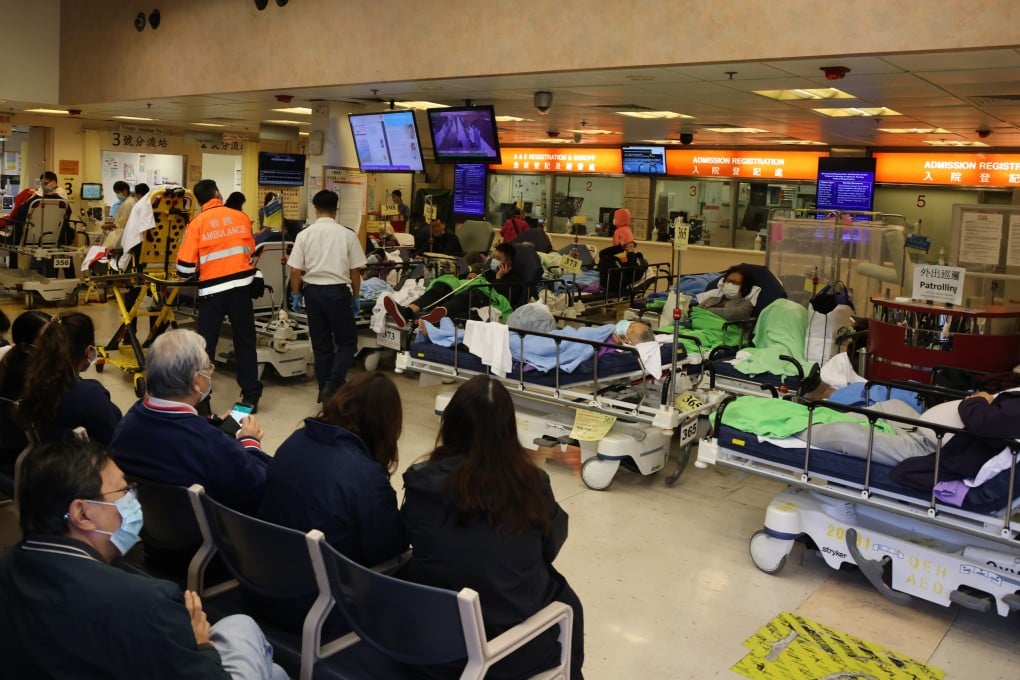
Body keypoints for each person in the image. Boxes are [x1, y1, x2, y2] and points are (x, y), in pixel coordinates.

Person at [0, 436, 287, 679]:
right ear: (82, 513)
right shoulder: (146, 602)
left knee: (271, 670)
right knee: (244, 628)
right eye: (123, 490)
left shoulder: (8, 566)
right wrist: (201, 647)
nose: (131, 501)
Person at [400, 376, 584, 679]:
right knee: (566, 601)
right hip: (506, 657)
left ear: (451, 424)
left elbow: (409, 535)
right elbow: (550, 545)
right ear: (508, 430)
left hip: (429, 643)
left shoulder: (421, 481)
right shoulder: (531, 484)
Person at [257, 372, 407, 630]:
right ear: (385, 424)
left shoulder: (296, 440)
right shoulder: (365, 476)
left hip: (263, 584)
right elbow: (388, 550)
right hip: (319, 607)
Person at [111, 329, 270, 515]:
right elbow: (260, 489)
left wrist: (210, 422)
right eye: (208, 369)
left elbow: (172, 432)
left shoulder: (128, 422)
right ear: (196, 382)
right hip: (203, 528)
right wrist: (250, 442)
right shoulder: (211, 443)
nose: (210, 373)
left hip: (150, 522)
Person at [177, 179, 262, 412]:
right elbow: (250, 253)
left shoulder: (197, 223)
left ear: (199, 200)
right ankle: (251, 396)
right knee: (245, 342)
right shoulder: (240, 217)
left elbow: (184, 268)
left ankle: (202, 399)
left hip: (212, 293)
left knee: (206, 348)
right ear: (217, 192)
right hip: (241, 290)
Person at [288, 189, 367, 403]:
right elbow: (355, 270)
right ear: (336, 210)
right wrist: (356, 296)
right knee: (347, 342)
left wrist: (296, 295)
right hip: (337, 293)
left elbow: (295, 270)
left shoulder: (304, 234)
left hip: (313, 293)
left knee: (321, 345)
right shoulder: (347, 234)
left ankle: (324, 391)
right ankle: (334, 383)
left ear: (316, 210)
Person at [14, 312, 122, 446]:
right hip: (88, 457)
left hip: (48, 456)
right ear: (89, 350)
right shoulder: (90, 395)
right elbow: (115, 443)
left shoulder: (34, 384)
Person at [383, 245, 520, 328]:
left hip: (483, 297)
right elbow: (476, 280)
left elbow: (504, 298)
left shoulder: (515, 279)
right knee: (444, 285)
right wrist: (471, 278)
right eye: (493, 257)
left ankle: (434, 316)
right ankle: (407, 312)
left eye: (498, 258)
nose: (494, 261)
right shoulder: (488, 271)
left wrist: (499, 278)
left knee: (471, 294)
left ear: (508, 261)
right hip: (468, 289)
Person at [0, 310, 51, 473]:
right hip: (21, 456)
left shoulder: (10, 359)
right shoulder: (35, 379)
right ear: (26, 347)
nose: (57, 343)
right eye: (48, 339)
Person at [103, 180, 136, 250]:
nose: (117, 195)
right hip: (127, 233)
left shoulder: (127, 204)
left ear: (125, 191)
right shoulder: (131, 200)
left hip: (124, 234)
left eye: (118, 192)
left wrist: (109, 226)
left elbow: (121, 225)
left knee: (107, 245)